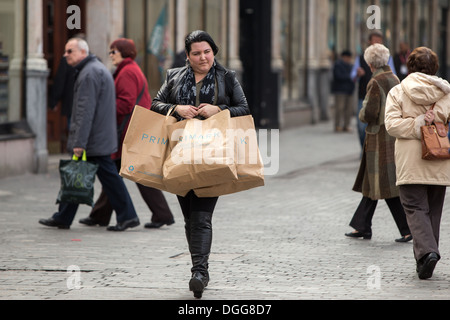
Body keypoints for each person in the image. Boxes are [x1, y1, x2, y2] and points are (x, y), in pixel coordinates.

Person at [151, 30, 250, 298]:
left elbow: (244, 108)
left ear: (213, 52)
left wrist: (219, 110)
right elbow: (155, 103)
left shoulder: (227, 77)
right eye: (196, 53)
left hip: (213, 155)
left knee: (202, 216)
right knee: (188, 217)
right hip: (180, 155)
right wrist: (176, 110)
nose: (202, 57)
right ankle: (199, 269)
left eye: (206, 51)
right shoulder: (174, 76)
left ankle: (199, 273)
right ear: (188, 56)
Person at [39, 38, 140, 231]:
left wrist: (79, 142)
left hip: (94, 139)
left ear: (83, 52)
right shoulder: (94, 69)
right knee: (77, 174)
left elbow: (85, 112)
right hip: (98, 136)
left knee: (108, 178)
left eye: (70, 51)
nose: (65, 55)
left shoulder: (89, 73)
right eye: (66, 51)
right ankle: (63, 216)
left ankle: (128, 216)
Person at [78, 38, 175, 229]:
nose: (111, 55)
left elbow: (126, 103)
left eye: (114, 51)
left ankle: (160, 214)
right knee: (114, 173)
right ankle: (100, 214)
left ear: (124, 52)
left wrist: (103, 109)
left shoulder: (127, 72)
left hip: (130, 131)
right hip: (133, 130)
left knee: (124, 173)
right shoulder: (129, 69)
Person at [385, 47, 450, 279]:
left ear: (409, 66)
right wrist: (430, 121)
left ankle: (427, 253)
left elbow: (392, 125)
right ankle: (425, 259)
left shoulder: (398, 92)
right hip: (439, 158)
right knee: (433, 210)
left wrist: (416, 123)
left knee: (414, 207)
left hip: (410, 160)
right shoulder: (445, 93)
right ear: (435, 68)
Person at [345, 43, 411, 243]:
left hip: (378, 138)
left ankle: (407, 229)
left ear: (370, 63)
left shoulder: (376, 82)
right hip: (391, 136)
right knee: (372, 182)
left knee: (385, 183)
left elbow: (370, 113)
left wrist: (361, 113)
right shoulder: (394, 78)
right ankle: (362, 225)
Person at [351, 31, 397, 149]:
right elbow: (352, 76)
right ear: (369, 41)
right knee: (362, 129)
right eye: (374, 40)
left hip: (384, 99)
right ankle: (365, 148)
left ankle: (368, 150)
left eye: (379, 40)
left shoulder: (376, 79)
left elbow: (367, 114)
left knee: (377, 128)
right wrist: (357, 74)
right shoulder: (361, 58)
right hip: (363, 96)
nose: (377, 43)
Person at [331, 50, 355, 132]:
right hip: (340, 90)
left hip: (349, 90)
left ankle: (346, 125)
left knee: (348, 109)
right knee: (339, 108)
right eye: (347, 57)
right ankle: (337, 125)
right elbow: (338, 76)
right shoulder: (338, 65)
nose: (348, 59)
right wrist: (349, 77)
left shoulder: (351, 66)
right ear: (343, 57)